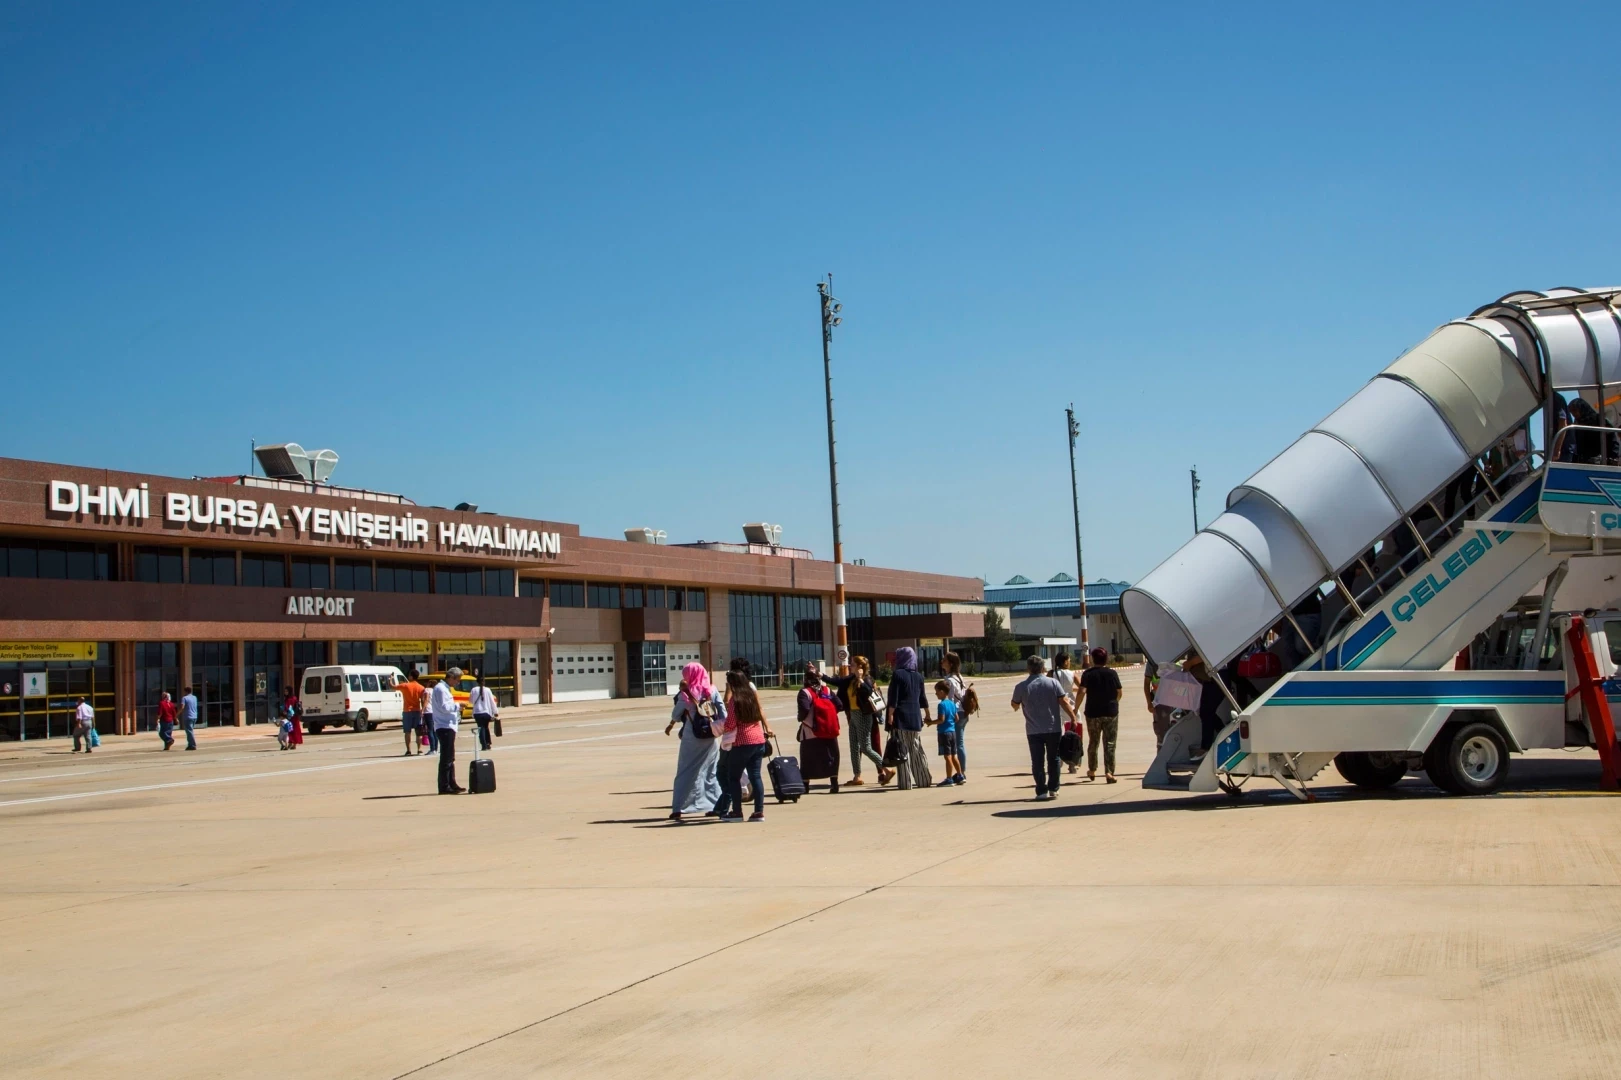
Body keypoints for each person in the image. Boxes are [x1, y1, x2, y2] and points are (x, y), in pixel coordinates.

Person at [1011, 653, 1079, 801]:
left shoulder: (1021, 687)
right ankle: (1054, 788)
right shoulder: (1053, 683)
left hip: (1033, 730)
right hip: (1053, 728)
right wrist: (1073, 717)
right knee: (1053, 758)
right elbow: (1064, 702)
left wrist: (1020, 704)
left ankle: (1041, 790)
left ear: (1028, 668)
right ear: (1043, 668)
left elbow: (1014, 704)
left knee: (1037, 761)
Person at [665, 662, 723, 820]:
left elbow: (676, 716)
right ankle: (717, 804)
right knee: (710, 771)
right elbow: (722, 711)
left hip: (691, 737)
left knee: (685, 771)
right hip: (710, 735)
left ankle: (679, 807)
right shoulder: (712, 690)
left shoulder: (685, 693)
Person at [718, 673, 775, 821]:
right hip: (758, 740)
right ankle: (759, 812)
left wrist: (719, 727)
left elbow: (730, 723)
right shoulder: (751, 696)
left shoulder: (735, 700)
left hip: (742, 742)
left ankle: (737, 811)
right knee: (755, 775)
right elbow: (760, 712)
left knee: (733, 777)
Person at [830, 655, 886, 786]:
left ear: (860, 667)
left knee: (869, 746)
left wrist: (861, 679)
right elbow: (838, 682)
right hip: (854, 715)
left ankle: (884, 770)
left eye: (853, 664)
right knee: (854, 747)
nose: (850, 666)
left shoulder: (867, 679)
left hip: (866, 715)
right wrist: (820, 675)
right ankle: (857, 776)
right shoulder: (852, 680)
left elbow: (869, 694)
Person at [885, 647, 934, 789]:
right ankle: (923, 780)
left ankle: (905, 783)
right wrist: (928, 715)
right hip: (915, 718)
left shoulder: (898, 674)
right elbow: (923, 698)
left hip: (901, 717)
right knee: (916, 749)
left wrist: (890, 715)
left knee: (902, 750)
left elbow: (894, 698)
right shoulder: (919, 676)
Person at [1077, 647, 1123, 783]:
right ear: (1106, 658)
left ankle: (1092, 770)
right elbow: (1119, 692)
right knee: (1110, 743)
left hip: (1093, 713)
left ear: (1093, 659)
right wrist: (1114, 703)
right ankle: (1109, 772)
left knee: (1093, 742)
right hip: (1110, 713)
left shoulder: (1088, 674)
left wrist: (1075, 708)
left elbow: (1081, 692)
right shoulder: (1112, 673)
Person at [796, 662, 842, 794]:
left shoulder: (804, 692)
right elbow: (839, 705)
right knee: (832, 756)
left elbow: (804, 709)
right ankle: (834, 783)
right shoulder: (827, 690)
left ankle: (805, 785)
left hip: (811, 731)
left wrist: (801, 718)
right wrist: (828, 717)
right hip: (829, 730)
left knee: (807, 758)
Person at [431, 665, 465, 794]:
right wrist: (457, 706)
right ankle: (444, 786)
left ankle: (452, 782)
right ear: (451, 677)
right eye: (457, 680)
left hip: (449, 725)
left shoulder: (445, 689)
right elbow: (445, 707)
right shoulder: (441, 689)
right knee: (446, 757)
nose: (458, 682)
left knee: (450, 757)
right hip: (444, 726)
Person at [940, 651, 970, 778]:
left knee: (956, 745)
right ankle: (961, 771)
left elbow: (950, 700)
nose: (942, 661)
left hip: (955, 713)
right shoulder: (959, 677)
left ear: (950, 664)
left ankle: (960, 773)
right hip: (964, 712)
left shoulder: (949, 680)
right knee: (960, 743)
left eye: (944, 660)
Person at [929, 679, 964, 785]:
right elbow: (957, 718)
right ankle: (960, 775)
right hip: (952, 732)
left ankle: (949, 778)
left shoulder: (942, 705)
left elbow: (941, 719)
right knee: (954, 755)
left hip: (944, 733)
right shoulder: (952, 704)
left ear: (942, 692)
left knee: (947, 756)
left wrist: (931, 722)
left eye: (937, 691)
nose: (936, 694)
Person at [1052, 652, 1081, 773]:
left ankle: (1059, 760)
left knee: (1058, 735)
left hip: (1056, 706)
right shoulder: (1072, 674)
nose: (1070, 662)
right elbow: (1083, 687)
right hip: (1071, 706)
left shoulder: (1051, 674)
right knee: (1073, 736)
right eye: (1069, 660)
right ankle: (1073, 763)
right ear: (1065, 662)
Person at [469, 673, 499, 752]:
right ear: (484, 682)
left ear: (477, 682)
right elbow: (492, 701)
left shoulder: (473, 690)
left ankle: (484, 745)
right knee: (485, 727)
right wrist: (495, 711)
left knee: (481, 728)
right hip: (486, 712)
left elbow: (471, 701)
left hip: (477, 712)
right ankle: (488, 743)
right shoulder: (488, 690)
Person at [399, 670, 426, 756]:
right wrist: (423, 710)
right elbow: (423, 700)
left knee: (407, 732)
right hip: (417, 711)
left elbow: (392, 686)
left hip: (407, 711)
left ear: (411, 676)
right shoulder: (421, 687)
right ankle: (419, 749)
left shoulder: (405, 686)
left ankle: (408, 750)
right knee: (418, 732)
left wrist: (390, 679)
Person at [179, 685, 199, 751]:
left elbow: (182, 707)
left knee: (189, 731)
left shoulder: (184, 698)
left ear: (185, 691)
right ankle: (190, 744)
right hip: (194, 716)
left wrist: (177, 714)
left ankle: (192, 745)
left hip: (188, 716)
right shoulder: (194, 697)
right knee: (190, 731)